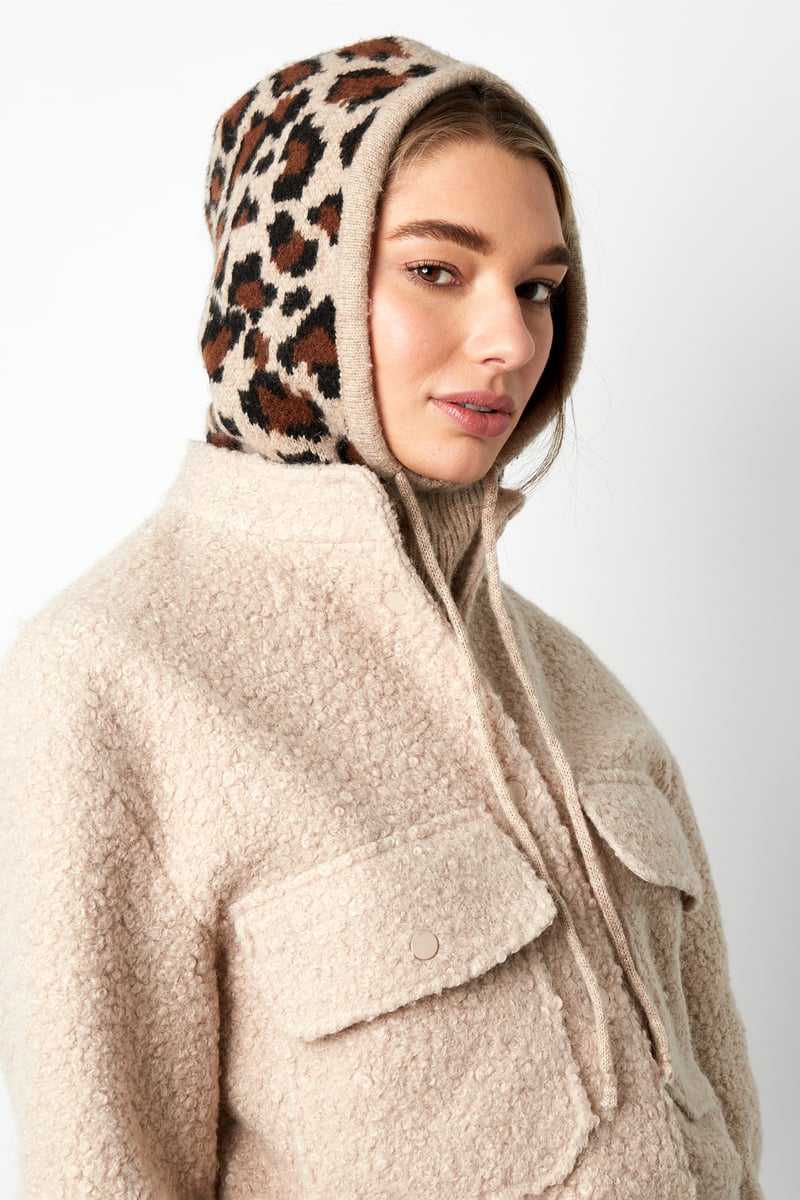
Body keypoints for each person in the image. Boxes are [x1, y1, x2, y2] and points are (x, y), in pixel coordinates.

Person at [0, 34, 762, 1199]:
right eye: (436, 270)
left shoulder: (581, 695)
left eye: (537, 287)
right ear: (289, 282)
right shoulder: (110, 678)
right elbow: (102, 1170)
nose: (511, 340)